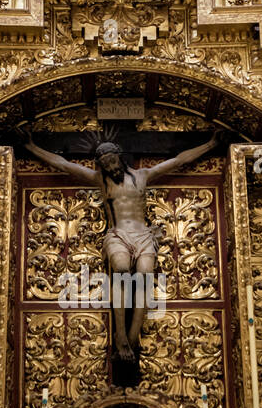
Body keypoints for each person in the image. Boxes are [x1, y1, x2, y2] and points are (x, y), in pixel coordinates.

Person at [24, 132, 218, 358]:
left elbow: (178, 161)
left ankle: (132, 337)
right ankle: (120, 335)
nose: (109, 166)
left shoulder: (143, 175)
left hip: (143, 235)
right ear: (101, 166)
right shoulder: (99, 180)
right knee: (122, 270)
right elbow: (64, 165)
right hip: (118, 235)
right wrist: (31, 147)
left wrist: (211, 144)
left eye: (112, 160)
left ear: (120, 157)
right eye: (104, 163)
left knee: (145, 276)